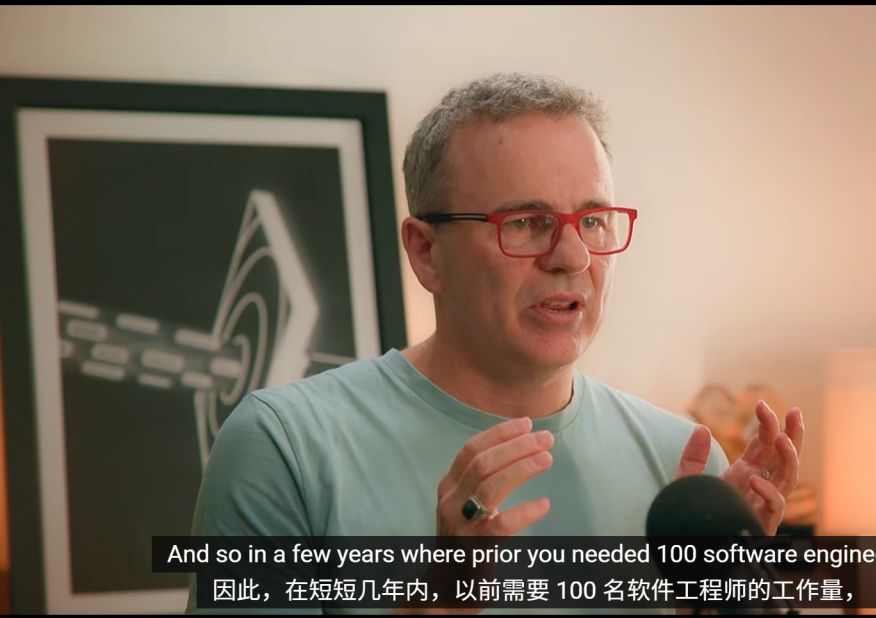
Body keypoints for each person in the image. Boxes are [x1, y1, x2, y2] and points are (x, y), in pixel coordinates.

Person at [186, 71, 803, 613]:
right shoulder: (284, 448)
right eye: (527, 223)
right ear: (426, 253)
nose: (572, 256)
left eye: (592, 219)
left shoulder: (687, 470)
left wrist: (728, 602)